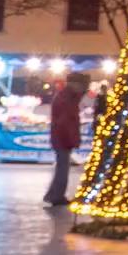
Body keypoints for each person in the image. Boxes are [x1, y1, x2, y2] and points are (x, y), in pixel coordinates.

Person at [42, 72, 90, 208]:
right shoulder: (66, 99)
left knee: (62, 167)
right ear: (75, 84)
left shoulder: (68, 97)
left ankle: (54, 194)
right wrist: (71, 139)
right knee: (62, 168)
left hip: (61, 137)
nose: (84, 89)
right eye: (82, 85)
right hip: (62, 138)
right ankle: (56, 196)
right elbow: (65, 122)